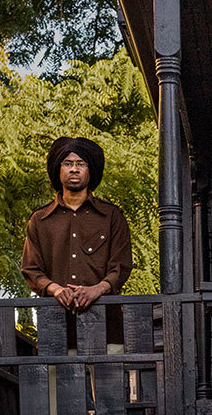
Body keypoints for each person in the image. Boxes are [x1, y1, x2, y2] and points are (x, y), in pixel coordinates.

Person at [20, 136, 132, 350]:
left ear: (90, 171)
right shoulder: (40, 220)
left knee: (108, 383)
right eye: (68, 163)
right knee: (58, 383)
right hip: (56, 328)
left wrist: (97, 290)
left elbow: (122, 265)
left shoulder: (111, 216)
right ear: (58, 169)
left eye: (81, 164)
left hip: (106, 326)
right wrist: (56, 290)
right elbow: (31, 269)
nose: (74, 169)